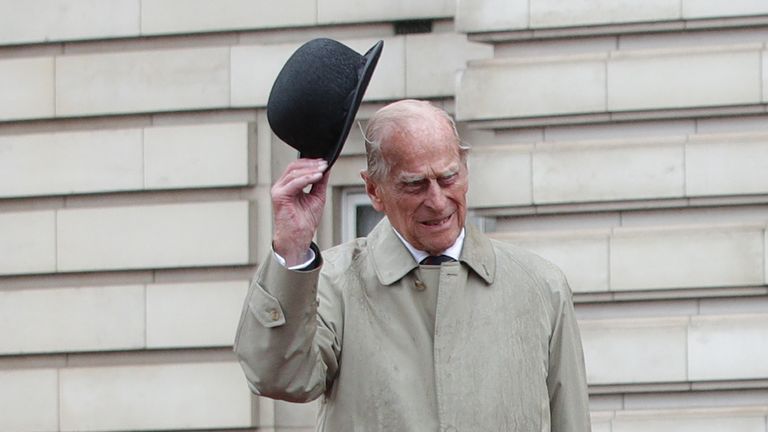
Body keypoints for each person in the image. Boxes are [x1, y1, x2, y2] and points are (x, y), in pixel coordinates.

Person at [234, 99, 592, 431]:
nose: (437, 202)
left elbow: (570, 420)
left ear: (466, 171)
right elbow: (278, 377)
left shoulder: (540, 285)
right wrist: (293, 248)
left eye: (448, 178)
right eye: (415, 185)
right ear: (374, 191)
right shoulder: (335, 283)